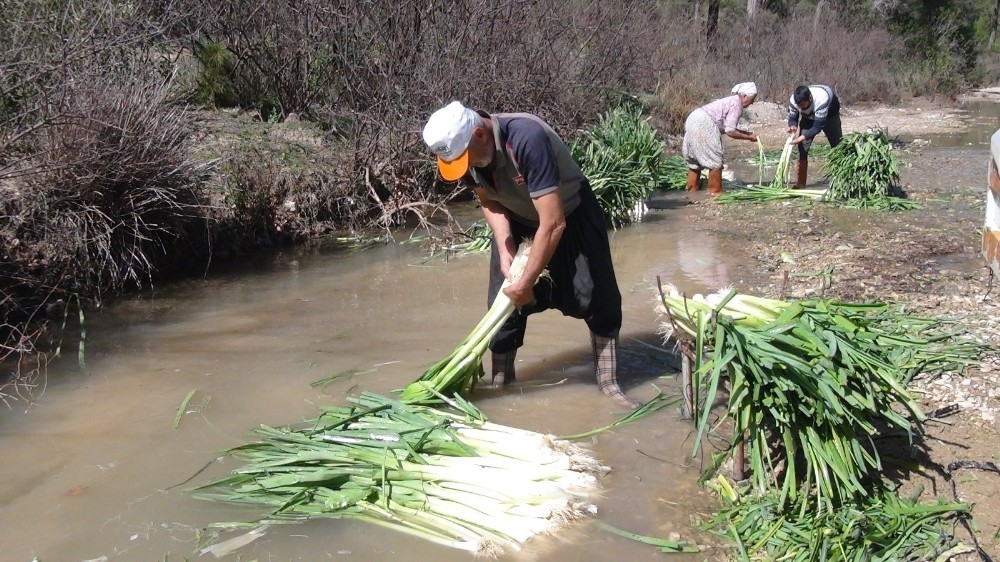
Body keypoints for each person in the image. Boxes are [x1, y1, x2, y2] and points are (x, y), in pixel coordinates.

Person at [422, 101, 641, 409]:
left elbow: (553, 223)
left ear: (480, 135)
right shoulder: (467, 153)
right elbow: (488, 198)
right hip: (519, 218)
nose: (464, 166)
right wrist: (504, 244)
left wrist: (527, 282)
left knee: (597, 297)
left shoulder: (526, 139)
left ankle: (609, 383)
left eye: (464, 157)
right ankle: (501, 385)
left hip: (570, 213)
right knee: (502, 306)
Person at [682, 82, 759, 196]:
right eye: (752, 99)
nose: (752, 102)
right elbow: (730, 131)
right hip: (704, 122)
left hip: (693, 118)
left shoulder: (729, 100)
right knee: (715, 162)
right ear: (744, 96)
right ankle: (716, 192)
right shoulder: (736, 104)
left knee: (695, 163)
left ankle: (692, 193)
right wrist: (749, 136)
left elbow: (726, 127)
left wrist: (747, 134)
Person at [787, 84, 842, 189]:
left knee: (837, 147)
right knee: (802, 148)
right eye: (799, 106)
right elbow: (793, 117)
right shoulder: (794, 101)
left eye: (803, 104)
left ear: (810, 98)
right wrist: (792, 126)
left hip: (830, 115)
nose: (800, 107)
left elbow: (817, 127)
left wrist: (800, 138)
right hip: (808, 117)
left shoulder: (822, 99)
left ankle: (840, 181)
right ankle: (801, 183)